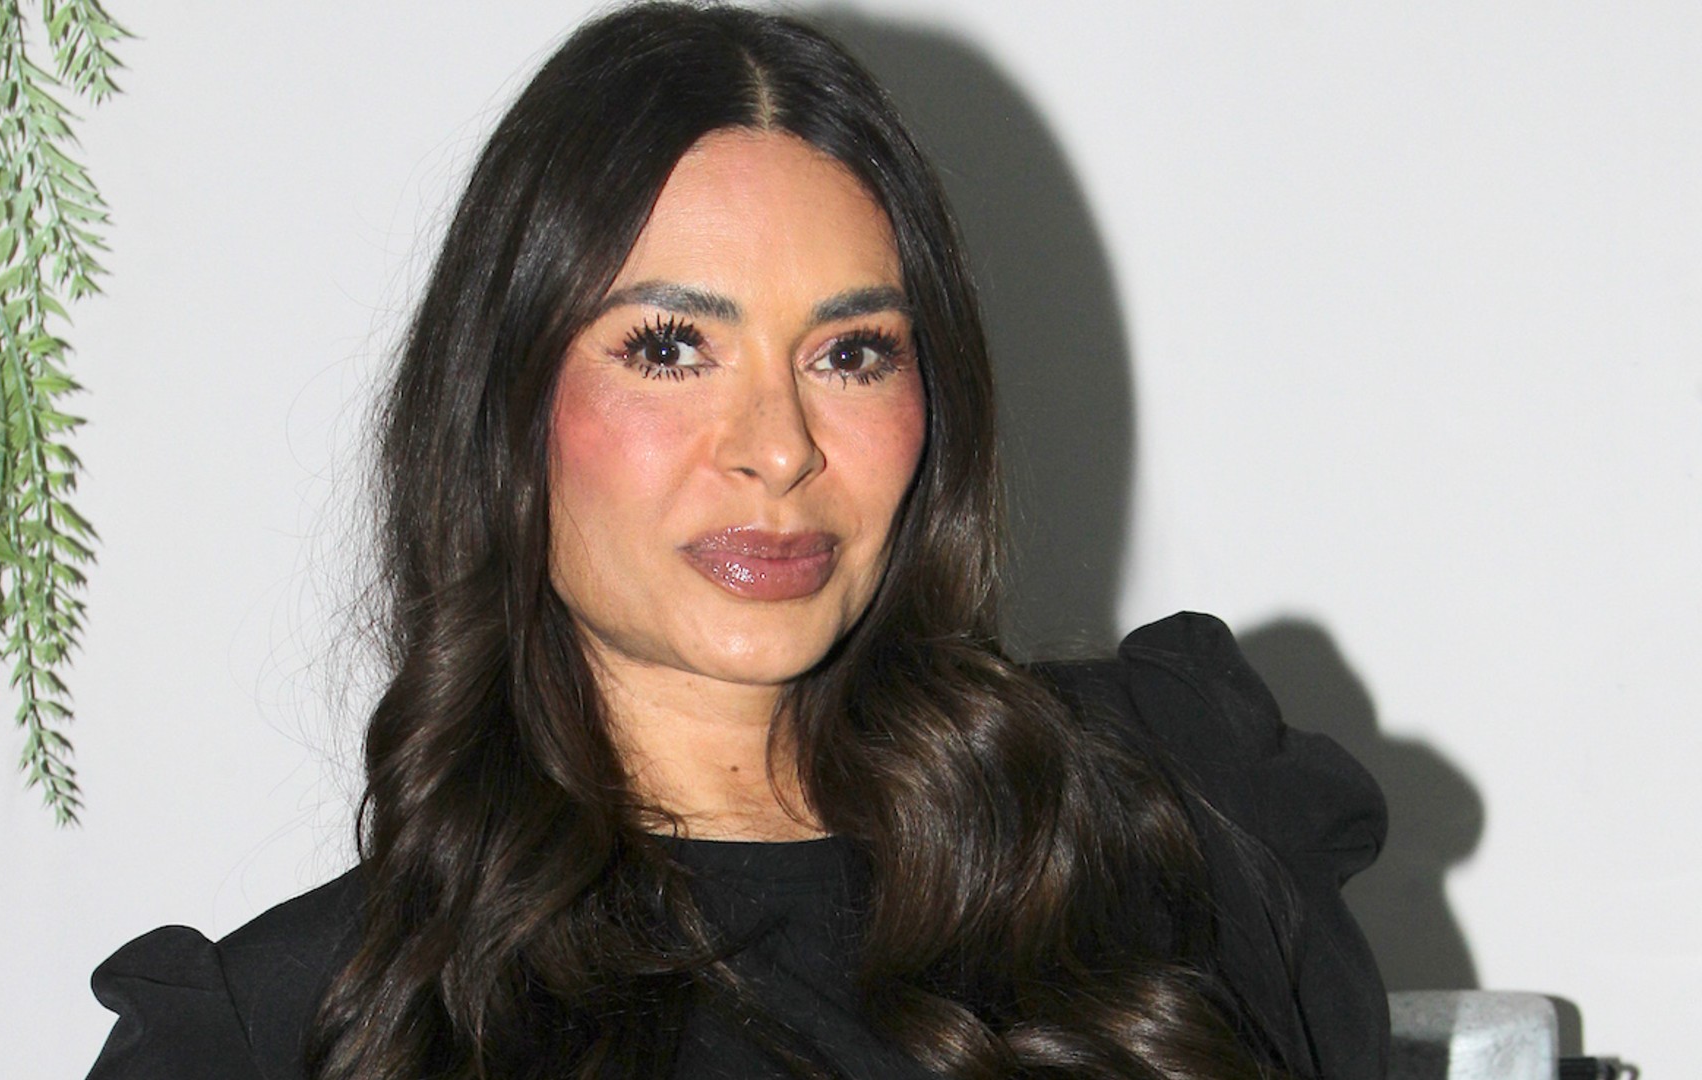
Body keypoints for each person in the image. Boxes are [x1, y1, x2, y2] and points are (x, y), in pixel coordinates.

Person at [86, 4, 1388, 1079]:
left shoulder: (1184, 829)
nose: (780, 447)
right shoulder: (289, 1032)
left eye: (852, 353)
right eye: (670, 348)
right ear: (506, 411)